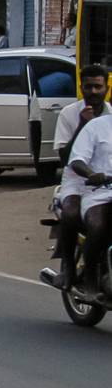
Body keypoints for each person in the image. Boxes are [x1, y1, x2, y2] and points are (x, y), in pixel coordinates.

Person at [49, 64, 110, 294]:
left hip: (107, 182)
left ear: (106, 88)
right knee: (73, 214)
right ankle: (68, 267)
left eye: (98, 86)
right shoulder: (70, 114)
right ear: (81, 87)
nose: (93, 91)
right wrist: (82, 124)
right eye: (89, 86)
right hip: (77, 181)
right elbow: (67, 157)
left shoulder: (110, 115)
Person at [69, 107, 112, 297]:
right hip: (99, 192)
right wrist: (91, 174)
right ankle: (90, 278)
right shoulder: (96, 127)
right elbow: (77, 159)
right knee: (98, 225)